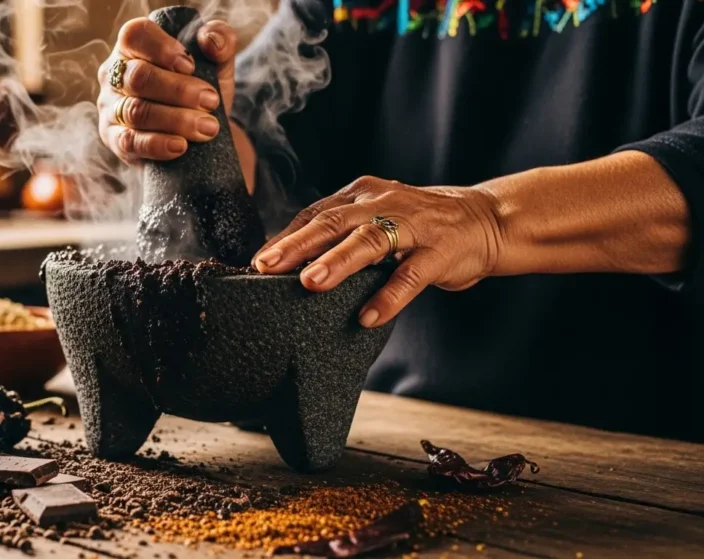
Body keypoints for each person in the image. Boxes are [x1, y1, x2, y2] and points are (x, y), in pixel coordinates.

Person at [95, 0, 703, 442]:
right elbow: (254, 152)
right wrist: (178, 117)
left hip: (640, 448)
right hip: (390, 435)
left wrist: (485, 219)